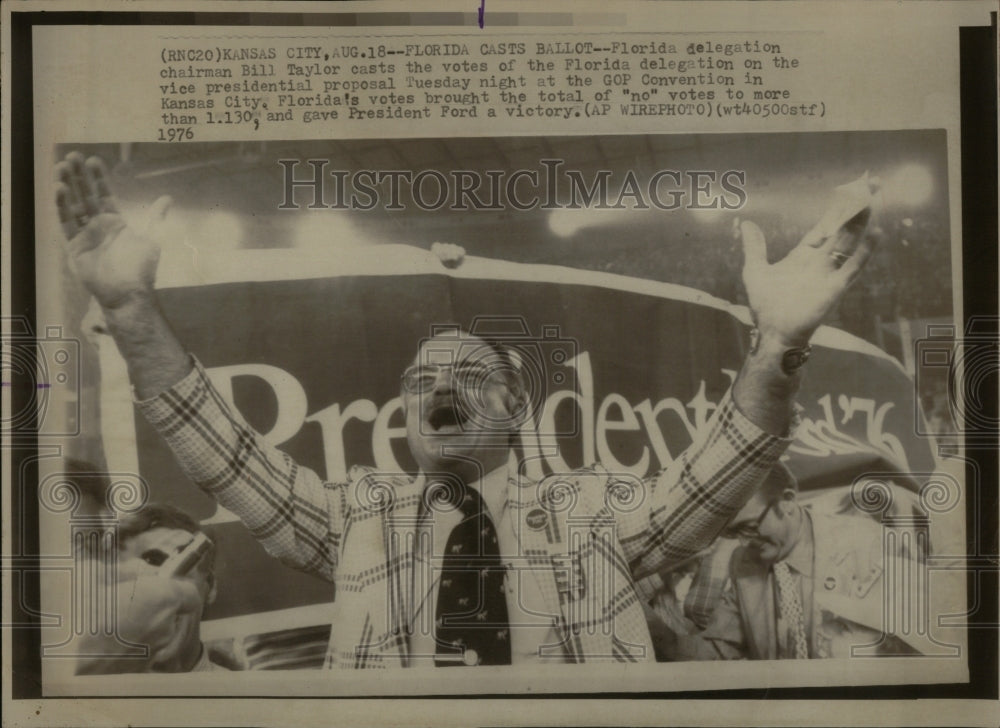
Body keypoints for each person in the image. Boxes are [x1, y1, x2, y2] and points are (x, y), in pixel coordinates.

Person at [56, 151, 879, 667]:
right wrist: (130, 314)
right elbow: (223, 447)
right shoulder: (357, 518)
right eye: (418, 383)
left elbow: (722, 465)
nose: (435, 390)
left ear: (516, 407)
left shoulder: (595, 510)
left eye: (465, 375)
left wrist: (777, 345)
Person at [668, 466, 925, 660]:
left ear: (788, 501)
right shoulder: (742, 563)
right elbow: (718, 649)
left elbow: (912, 653)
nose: (744, 543)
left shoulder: (871, 545)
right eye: (734, 534)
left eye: (750, 528)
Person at [75, 503, 230, 673]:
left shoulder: (239, 692)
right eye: (149, 563)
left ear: (211, 587)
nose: (157, 586)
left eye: (182, 567)